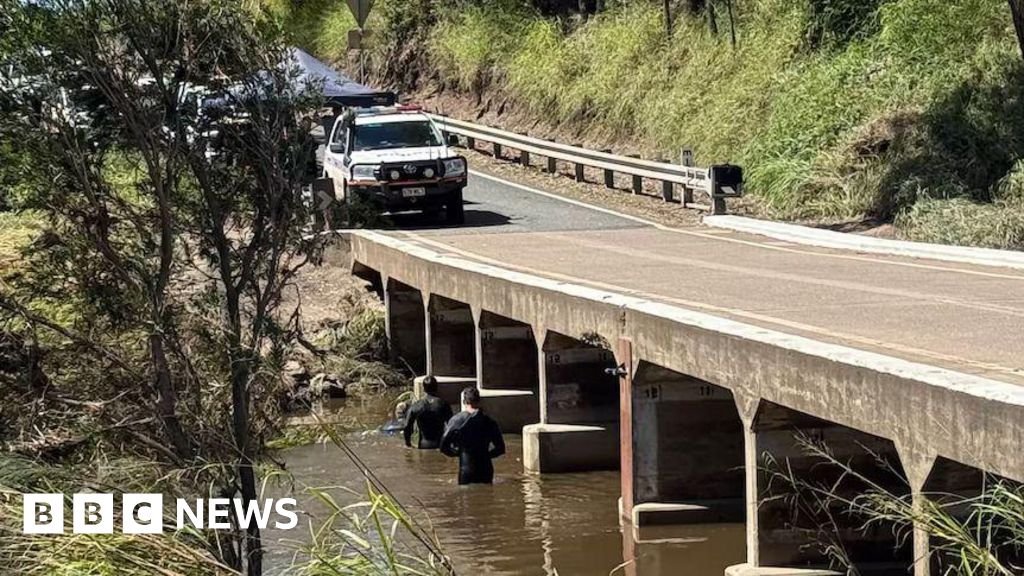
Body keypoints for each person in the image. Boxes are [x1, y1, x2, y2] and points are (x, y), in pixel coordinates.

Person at [440, 387, 506, 485]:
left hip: (466, 469)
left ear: (464, 401)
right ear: (479, 401)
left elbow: (443, 446)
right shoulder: (489, 421)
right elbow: (500, 448)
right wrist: (486, 456)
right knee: (487, 493)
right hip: (485, 469)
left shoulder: (456, 420)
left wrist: (457, 453)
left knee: (466, 493)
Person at [403, 376, 453, 449]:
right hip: (439, 445)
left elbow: (407, 426)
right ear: (436, 388)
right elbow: (452, 425)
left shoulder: (417, 405)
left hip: (424, 445)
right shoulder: (444, 404)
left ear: (423, 389)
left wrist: (408, 443)